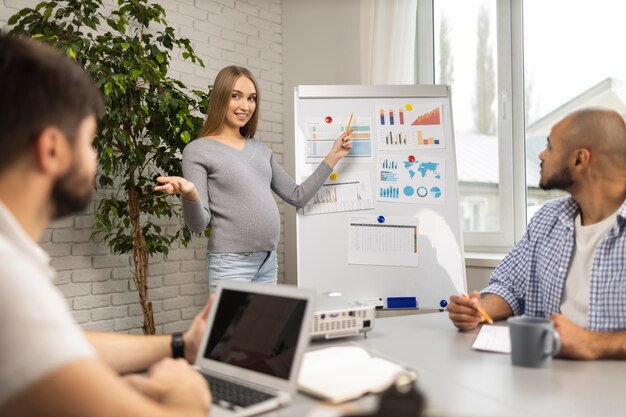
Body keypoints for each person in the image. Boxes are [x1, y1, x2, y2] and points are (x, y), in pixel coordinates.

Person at [0, 34, 212, 416]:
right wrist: (185, 392)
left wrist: (180, 344)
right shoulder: (7, 275)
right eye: (90, 142)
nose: (96, 159)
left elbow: (53, 345)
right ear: (51, 149)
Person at [447, 108, 626, 360]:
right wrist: (478, 310)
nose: (541, 155)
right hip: (545, 381)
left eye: (550, 147)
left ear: (579, 159)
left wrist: (594, 344)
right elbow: (510, 286)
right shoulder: (547, 219)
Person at [155, 65, 353, 291]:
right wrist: (190, 194)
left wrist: (333, 156)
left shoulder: (260, 150)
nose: (245, 106)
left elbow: (297, 196)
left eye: (251, 98)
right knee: (231, 328)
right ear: (221, 98)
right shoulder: (198, 150)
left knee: (263, 328)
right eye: (236, 96)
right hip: (230, 265)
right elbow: (198, 224)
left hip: (267, 262)